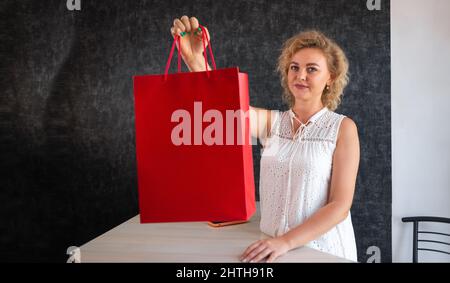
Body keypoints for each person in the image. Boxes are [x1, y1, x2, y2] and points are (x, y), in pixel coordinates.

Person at [170, 16, 360, 262]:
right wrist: (194, 60)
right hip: (272, 249)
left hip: (322, 251)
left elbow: (339, 205)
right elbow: (226, 107)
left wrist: (285, 242)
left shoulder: (342, 128)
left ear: (330, 78)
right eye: (294, 67)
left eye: (311, 69)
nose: (300, 75)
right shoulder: (273, 123)